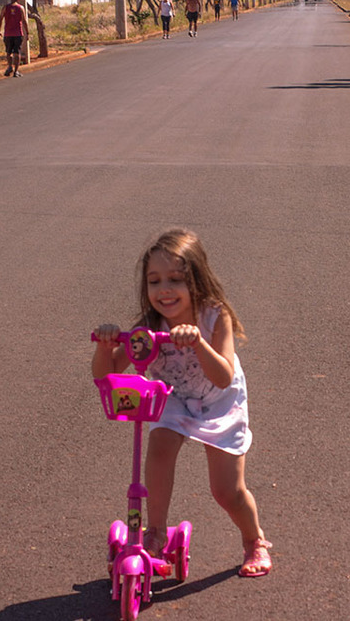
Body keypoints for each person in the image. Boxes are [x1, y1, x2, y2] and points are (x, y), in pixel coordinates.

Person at [92, 228, 272, 578]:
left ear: (197, 282)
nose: (164, 290)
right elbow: (107, 374)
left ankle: (254, 540)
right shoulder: (149, 327)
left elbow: (222, 375)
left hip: (219, 400)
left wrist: (197, 343)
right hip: (172, 398)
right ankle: (156, 531)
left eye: (175, 279)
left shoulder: (214, 316)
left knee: (227, 491)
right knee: (159, 444)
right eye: (154, 281)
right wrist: (104, 345)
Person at [0, 0, 29, 77]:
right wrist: (27, 33)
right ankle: (16, 71)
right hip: (18, 33)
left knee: (8, 52)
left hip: (8, 34)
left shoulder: (5, 8)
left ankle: (10, 66)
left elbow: (0, 20)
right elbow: (24, 21)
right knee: (17, 52)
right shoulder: (21, 8)